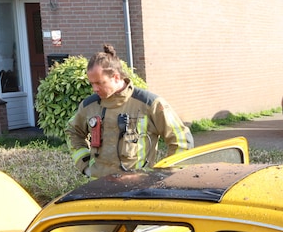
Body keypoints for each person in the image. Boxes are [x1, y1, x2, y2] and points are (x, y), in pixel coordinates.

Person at [68, 44, 194, 178]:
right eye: (91, 83)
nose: (95, 89)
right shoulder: (89, 106)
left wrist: (168, 176)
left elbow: (181, 140)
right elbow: (73, 132)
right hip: (99, 188)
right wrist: (86, 166)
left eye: (99, 83)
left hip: (139, 190)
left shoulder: (150, 104)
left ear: (116, 77)